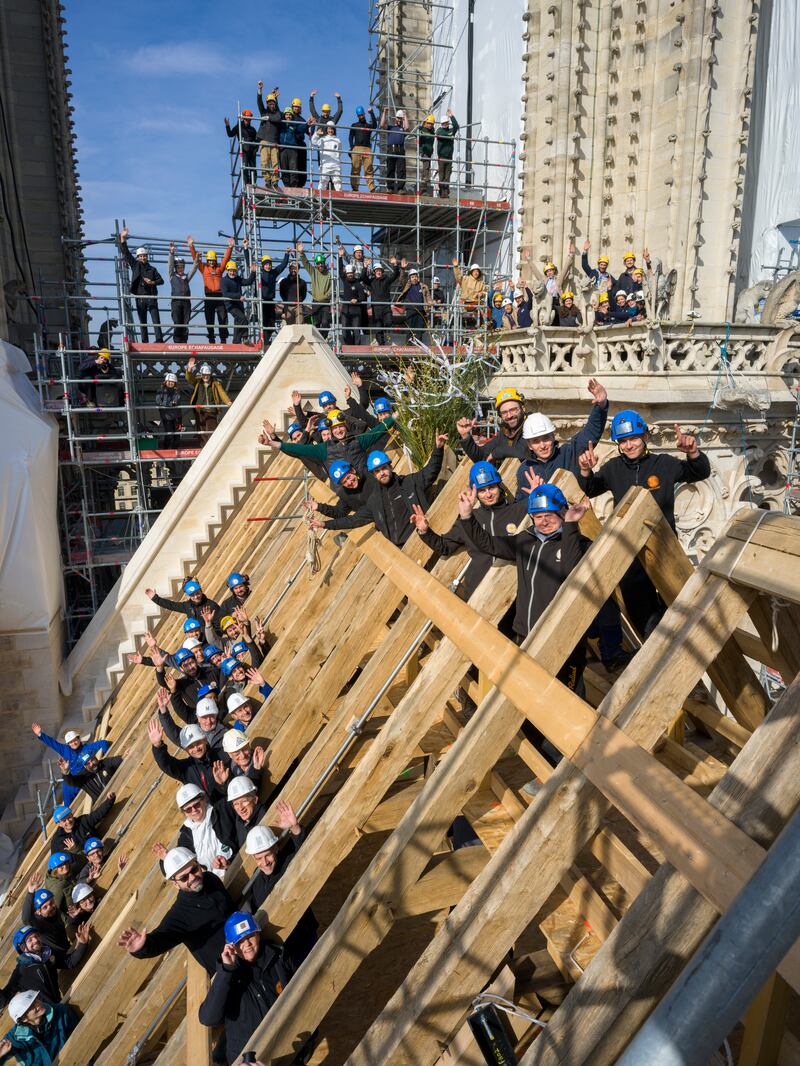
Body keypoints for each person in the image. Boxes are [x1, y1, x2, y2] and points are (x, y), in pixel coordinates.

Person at [578, 412, 711, 636]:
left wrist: (693, 453)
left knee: (678, 610)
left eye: (634, 438)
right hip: (631, 555)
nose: (629, 445)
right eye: (623, 441)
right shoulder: (613, 468)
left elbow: (699, 472)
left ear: (646, 436)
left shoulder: (664, 464)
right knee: (643, 616)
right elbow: (590, 488)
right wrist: (585, 470)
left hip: (665, 550)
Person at [457, 478, 590, 686]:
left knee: (567, 698)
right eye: (537, 517)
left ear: (563, 513)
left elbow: (571, 570)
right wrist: (467, 517)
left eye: (549, 516)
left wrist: (571, 526)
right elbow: (488, 544)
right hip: (525, 634)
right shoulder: (525, 540)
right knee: (527, 694)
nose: (543, 522)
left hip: (561, 639)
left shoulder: (579, 543)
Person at [410, 461, 526, 600]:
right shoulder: (470, 518)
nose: (488, 494)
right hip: (477, 592)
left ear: (499, 486)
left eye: (491, 487)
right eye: (482, 490)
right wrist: (425, 531)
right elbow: (445, 546)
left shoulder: (518, 511)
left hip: (511, 590)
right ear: (476, 493)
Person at [479, 378, 609, 498]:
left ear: (553, 436)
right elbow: (521, 508)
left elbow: (591, 431)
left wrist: (601, 405)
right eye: (535, 441)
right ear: (529, 445)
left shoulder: (570, 453)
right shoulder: (525, 470)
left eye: (546, 438)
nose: (542, 445)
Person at [118, 846, 236, 974]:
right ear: (175, 884)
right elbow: (161, 938)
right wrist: (142, 948)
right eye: (184, 878)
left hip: (248, 945)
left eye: (194, 870)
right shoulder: (180, 914)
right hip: (231, 970)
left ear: (198, 864)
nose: (192, 878)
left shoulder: (210, 879)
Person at [310, 438, 446, 547]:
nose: (381, 473)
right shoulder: (374, 501)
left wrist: (438, 448)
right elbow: (353, 520)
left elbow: (430, 471)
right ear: (374, 475)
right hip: (401, 547)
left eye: (384, 469)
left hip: (424, 536)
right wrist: (325, 524)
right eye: (377, 471)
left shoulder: (409, 483)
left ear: (390, 467)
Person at [198, 911, 295, 1063]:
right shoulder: (229, 975)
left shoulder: (278, 957)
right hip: (249, 1058)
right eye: (240, 941)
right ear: (231, 946)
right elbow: (209, 1018)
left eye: (249, 937)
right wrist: (226, 971)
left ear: (258, 934)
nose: (247, 945)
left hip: (286, 1046)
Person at [245, 801, 318, 965]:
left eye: (267, 855)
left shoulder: (286, 862)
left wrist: (295, 828)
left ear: (276, 848)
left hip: (303, 936)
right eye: (258, 858)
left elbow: (304, 852)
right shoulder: (256, 884)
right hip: (282, 947)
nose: (264, 862)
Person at [261, 409, 394, 478]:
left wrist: (396, 415)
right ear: (331, 430)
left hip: (368, 483)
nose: (338, 430)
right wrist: (271, 442)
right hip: (348, 488)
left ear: (346, 427)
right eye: (335, 428)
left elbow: (378, 430)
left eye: (340, 427)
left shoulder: (358, 440)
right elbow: (297, 449)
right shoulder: (323, 449)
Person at [153, 784, 233, 877]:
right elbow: (177, 871)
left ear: (204, 799)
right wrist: (167, 859)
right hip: (213, 880)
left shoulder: (221, 811)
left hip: (237, 864)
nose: (194, 810)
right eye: (188, 809)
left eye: (196, 804)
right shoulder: (186, 835)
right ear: (184, 813)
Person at [2, 922, 88, 1007]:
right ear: (23, 948)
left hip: (59, 1005)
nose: (35, 940)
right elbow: (5, 998)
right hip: (43, 1014)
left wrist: (82, 944)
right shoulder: (21, 971)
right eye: (30, 940)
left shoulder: (48, 954)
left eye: (36, 936)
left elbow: (70, 962)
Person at [30, 724, 110, 808]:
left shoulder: (87, 748)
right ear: (68, 744)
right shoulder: (65, 750)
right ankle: (67, 810)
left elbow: (103, 743)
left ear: (79, 739)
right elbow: (52, 743)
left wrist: (105, 755)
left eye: (75, 740)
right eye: (71, 742)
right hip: (73, 779)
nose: (74, 743)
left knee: (71, 786)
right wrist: (40, 734)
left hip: (84, 778)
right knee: (66, 786)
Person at [149, 714, 226, 801]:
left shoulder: (221, 754)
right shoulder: (186, 768)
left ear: (205, 740)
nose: (196, 749)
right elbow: (166, 764)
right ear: (186, 750)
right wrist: (157, 746)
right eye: (191, 747)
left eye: (198, 743)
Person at [0, 991, 77, 1066]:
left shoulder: (61, 1012)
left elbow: (78, 1035)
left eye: (36, 999)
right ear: (23, 1019)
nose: (38, 1003)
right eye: (32, 1005)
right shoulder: (15, 1037)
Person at [118, 228, 164, 343]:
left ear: (147, 256)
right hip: (140, 298)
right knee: (143, 321)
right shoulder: (135, 265)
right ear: (138, 257)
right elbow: (127, 253)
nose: (143, 257)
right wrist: (123, 239)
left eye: (145, 256)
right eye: (141, 256)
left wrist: (152, 282)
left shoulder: (152, 269)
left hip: (151, 298)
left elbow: (161, 281)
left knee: (156, 320)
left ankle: (159, 340)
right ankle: (145, 341)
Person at [188, 235, 234, 343]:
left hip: (220, 296)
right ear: (207, 260)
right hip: (209, 296)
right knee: (209, 319)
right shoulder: (203, 268)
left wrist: (230, 247)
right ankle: (211, 337)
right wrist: (191, 246)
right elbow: (195, 260)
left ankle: (223, 338)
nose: (212, 262)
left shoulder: (220, 268)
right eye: (210, 260)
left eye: (213, 260)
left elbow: (226, 259)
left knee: (223, 318)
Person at [50, 795, 115, 856]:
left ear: (72, 815)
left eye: (69, 817)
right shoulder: (57, 840)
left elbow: (98, 813)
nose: (68, 821)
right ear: (59, 824)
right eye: (64, 821)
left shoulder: (83, 821)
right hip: (85, 865)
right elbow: (59, 863)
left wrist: (109, 800)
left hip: (100, 854)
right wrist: (74, 851)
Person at [186, 357, 232, 437]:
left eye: (207, 375)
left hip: (211, 410)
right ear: (201, 375)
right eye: (204, 375)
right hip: (200, 411)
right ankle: (204, 447)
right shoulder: (197, 382)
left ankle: (212, 447)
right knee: (201, 431)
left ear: (210, 374)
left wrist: (228, 401)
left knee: (212, 430)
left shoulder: (215, 382)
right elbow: (189, 379)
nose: (205, 377)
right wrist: (189, 369)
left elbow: (222, 393)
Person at [145, 576, 219, 621]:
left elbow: (219, 626)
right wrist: (155, 598)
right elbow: (171, 605)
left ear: (201, 591)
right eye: (192, 595)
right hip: (195, 640)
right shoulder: (188, 606)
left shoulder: (211, 605)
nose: (196, 597)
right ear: (189, 596)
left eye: (197, 593)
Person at [221, 250, 257, 342]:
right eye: (231, 271)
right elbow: (226, 294)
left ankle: (236, 341)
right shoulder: (224, 281)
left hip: (239, 304)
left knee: (238, 322)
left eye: (234, 271)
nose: (232, 273)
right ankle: (245, 337)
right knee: (243, 319)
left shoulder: (237, 279)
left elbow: (248, 282)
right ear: (227, 271)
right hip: (231, 305)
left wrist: (253, 272)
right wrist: (238, 296)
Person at [297, 242, 332, 334]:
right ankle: (318, 340)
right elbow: (306, 264)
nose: (320, 265)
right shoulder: (313, 272)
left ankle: (323, 339)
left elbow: (331, 289)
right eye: (318, 263)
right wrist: (301, 253)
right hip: (316, 302)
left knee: (325, 322)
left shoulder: (329, 275)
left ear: (324, 263)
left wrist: (325, 297)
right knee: (316, 323)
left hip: (325, 303)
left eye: (322, 263)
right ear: (316, 264)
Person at [167, 241, 196, 343]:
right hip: (176, 302)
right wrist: (171, 253)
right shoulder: (172, 275)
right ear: (176, 268)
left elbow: (193, 270)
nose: (180, 269)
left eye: (182, 267)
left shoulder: (186, 277)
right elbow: (170, 265)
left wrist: (196, 261)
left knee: (185, 322)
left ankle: (184, 341)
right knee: (177, 322)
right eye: (178, 267)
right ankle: (177, 341)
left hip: (186, 302)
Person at [338, 250, 368, 345]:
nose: (349, 274)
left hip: (356, 310)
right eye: (348, 273)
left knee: (356, 330)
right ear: (346, 273)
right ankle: (347, 345)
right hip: (345, 310)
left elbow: (363, 296)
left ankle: (357, 347)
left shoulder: (358, 283)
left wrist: (357, 300)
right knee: (344, 329)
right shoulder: (345, 281)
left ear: (354, 273)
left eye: (351, 273)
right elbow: (339, 270)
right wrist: (340, 257)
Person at [259, 248, 290, 338]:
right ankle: (264, 341)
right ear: (263, 265)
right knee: (264, 323)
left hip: (270, 301)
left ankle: (266, 340)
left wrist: (287, 254)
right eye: (266, 264)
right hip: (262, 301)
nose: (268, 266)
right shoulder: (259, 273)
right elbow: (250, 265)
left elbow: (283, 265)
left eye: (269, 264)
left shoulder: (273, 273)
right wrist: (246, 249)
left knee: (271, 324)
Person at [255, 83, 282, 187]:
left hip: (274, 141)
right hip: (264, 140)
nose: (271, 105)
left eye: (273, 103)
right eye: (270, 104)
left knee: (275, 162)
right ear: (267, 104)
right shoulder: (264, 112)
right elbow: (259, 102)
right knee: (265, 161)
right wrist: (260, 90)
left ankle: (275, 180)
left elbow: (278, 118)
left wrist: (268, 118)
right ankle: (267, 179)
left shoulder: (276, 113)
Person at [225, 109, 258, 184]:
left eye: (249, 120)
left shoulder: (252, 130)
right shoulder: (238, 127)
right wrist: (227, 126)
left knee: (253, 167)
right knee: (245, 167)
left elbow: (256, 141)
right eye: (247, 119)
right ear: (243, 118)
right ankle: (246, 183)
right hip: (244, 150)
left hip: (252, 150)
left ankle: (253, 183)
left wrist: (255, 149)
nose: (248, 121)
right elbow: (230, 134)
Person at [381, 107, 410, 192]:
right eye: (398, 118)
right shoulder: (391, 127)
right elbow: (382, 125)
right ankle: (390, 187)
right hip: (391, 149)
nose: (399, 120)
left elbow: (407, 127)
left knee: (401, 170)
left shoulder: (402, 129)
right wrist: (384, 113)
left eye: (400, 119)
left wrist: (405, 116)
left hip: (400, 149)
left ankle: (400, 188)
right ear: (395, 118)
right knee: (390, 168)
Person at [349, 105, 377, 192]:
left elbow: (375, 125)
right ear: (357, 116)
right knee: (355, 168)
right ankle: (355, 188)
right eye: (359, 115)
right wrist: (352, 147)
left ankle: (372, 188)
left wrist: (371, 113)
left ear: (364, 114)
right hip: (357, 148)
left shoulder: (368, 126)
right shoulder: (354, 125)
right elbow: (350, 137)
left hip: (367, 149)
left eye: (362, 115)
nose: (361, 116)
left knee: (368, 169)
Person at [452, 260, 487, 330]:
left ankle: (486, 325)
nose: (476, 273)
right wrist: (456, 267)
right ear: (471, 272)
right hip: (466, 302)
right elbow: (458, 277)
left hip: (476, 304)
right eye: (474, 271)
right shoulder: (465, 279)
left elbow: (484, 292)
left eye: (477, 271)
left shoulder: (481, 283)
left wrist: (481, 294)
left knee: (486, 309)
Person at [398, 265, 430, 342]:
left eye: (415, 276)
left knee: (419, 330)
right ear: (410, 278)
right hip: (410, 310)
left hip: (421, 311)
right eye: (412, 277)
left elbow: (428, 296)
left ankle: (419, 346)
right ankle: (409, 346)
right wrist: (403, 269)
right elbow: (401, 279)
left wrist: (430, 301)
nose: (414, 278)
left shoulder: (423, 286)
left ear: (417, 277)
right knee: (410, 329)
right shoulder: (407, 285)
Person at [311, 118, 343, 191]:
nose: (330, 130)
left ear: (334, 130)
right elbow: (313, 141)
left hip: (335, 164)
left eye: (332, 129)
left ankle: (339, 196)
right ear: (326, 129)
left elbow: (339, 152)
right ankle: (320, 196)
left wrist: (337, 161)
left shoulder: (338, 140)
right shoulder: (322, 139)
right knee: (323, 180)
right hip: (325, 164)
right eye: (329, 129)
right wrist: (316, 134)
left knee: (337, 181)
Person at [155, 371, 183, 449]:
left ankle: (174, 452)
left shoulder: (177, 391)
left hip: (177, 417)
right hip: (166, 417)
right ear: (166, 382)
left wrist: (166, 404)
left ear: (175, 383)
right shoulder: (160, 391)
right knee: (169, 436)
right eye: (169, 381)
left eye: (172, 382)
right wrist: (170, 404)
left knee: (177, 437)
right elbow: (158, 402)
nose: (170, 383)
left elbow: (176, 402)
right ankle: (166, 450)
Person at [436, 111, 459, 197]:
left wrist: (451, 116)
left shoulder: (450, 131)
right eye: (444, 123)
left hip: (449, 157)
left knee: (447, 175)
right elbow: (440, 135)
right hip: (442, 157)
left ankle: (446, 191)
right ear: (442, 124)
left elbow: (456, 126)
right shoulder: (439, 130)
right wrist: (450, 136)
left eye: (446, 123)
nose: (445, 124)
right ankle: (442, 191)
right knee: (441, 175)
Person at [415, 113, 436, 195]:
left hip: (429, 152)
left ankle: (423, 187)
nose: (430, 125)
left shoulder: (432, 131)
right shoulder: (422, 129)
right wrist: (419, 130)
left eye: (431, 124)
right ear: (425, 123)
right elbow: (416, 135)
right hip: (423, 151)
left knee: (426, 168)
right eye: (428, 123)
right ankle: (424, 182)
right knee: (426, 166)